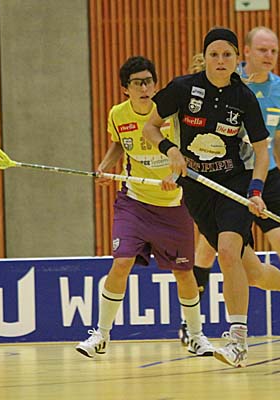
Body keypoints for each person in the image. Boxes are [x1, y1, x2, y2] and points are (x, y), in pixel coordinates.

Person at [142, 27, 280, 368]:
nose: (221, 60)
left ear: (237, 58)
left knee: (226, 252)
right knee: (252, 272)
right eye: (214, 54)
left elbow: (261, 151)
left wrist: (256, 190)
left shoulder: (244, 97)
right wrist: (171, 151)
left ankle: (237, 342)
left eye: (227, 55)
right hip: (198, 188)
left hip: (234, 183)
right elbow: (150, 127)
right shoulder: (182, 89)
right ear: (205, 57)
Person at [76, 56, 214, 358]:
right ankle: (101, 334)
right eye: (137, 83)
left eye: (149, 81)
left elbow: (191, 151)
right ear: (125, 88)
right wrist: (104, 166)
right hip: (134, 202)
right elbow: (119, 144)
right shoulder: (117, 114)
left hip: (174, 204)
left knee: (184, 272)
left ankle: (196, 336)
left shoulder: (170, 112)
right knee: (122, 261)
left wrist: (174, 176)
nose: (144, 88)